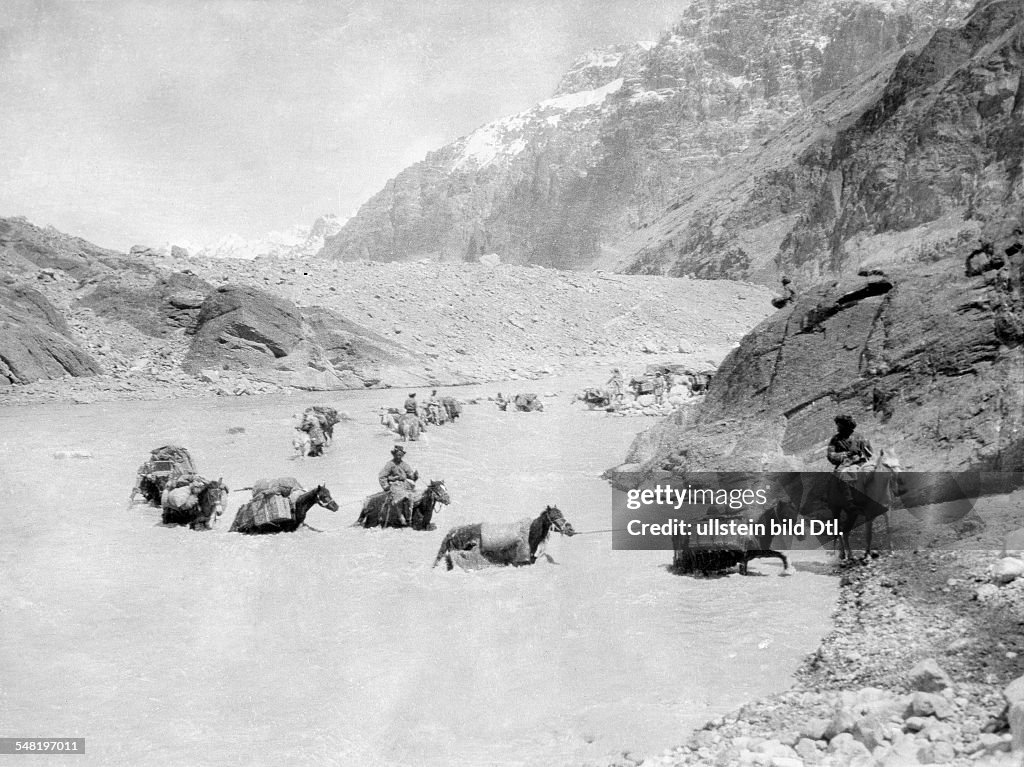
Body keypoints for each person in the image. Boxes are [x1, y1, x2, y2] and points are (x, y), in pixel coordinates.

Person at [827, 414, 873, 506]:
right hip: (845, 465)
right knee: (843, 478)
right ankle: (849, 501)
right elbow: (831, 456)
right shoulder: (835, 439)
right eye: (838, 425)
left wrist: (864, 449)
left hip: (862, 463)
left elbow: (870, 453)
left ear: (847, 426)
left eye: (840, 425)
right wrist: (847, 454)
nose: (838, 427)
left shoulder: (859, 436)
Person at [377, 445, 419, 526]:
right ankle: (401, 518)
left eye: (400, 455)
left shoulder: (404, 465)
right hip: (394, 485)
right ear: (394, 454)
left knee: (411, 498)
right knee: (398, 500)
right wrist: (386, 486)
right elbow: (382, 476)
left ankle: (409, 518)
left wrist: (415, 476)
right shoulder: (390, 464)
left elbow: (411, 475)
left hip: (405, 485)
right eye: (397, 454)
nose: (399, 456)